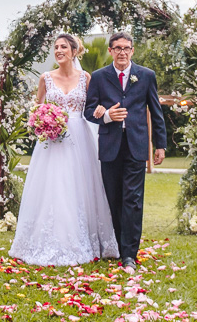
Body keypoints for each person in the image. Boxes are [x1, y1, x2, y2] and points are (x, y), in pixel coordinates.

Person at [12, 35, 119, 266]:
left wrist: (102, 110)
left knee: (79, 186)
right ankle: (48, 239)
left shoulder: (86, 78)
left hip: (79, 137)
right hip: (51, 141)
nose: (59, 50)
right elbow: (36, 109)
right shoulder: (45, 78)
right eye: (56, 47)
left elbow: (92, 106)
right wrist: (42, 121)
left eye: (63, 47)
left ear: (73, 51)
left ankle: (83, 239)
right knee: (53, 187)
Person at [83, 32, 167, 271]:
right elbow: (88, 111)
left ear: (132, 51)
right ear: (110, 51)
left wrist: (160, 145)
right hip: (109, 147)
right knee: (114, 199)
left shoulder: (146, 75)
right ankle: (120, 246)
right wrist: (107, 116)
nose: (122, 52)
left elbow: (156, 112)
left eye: (126, 48)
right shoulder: (99, 77)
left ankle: (129, 254)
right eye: (117, 48)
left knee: (133, 199)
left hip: (136, 145)